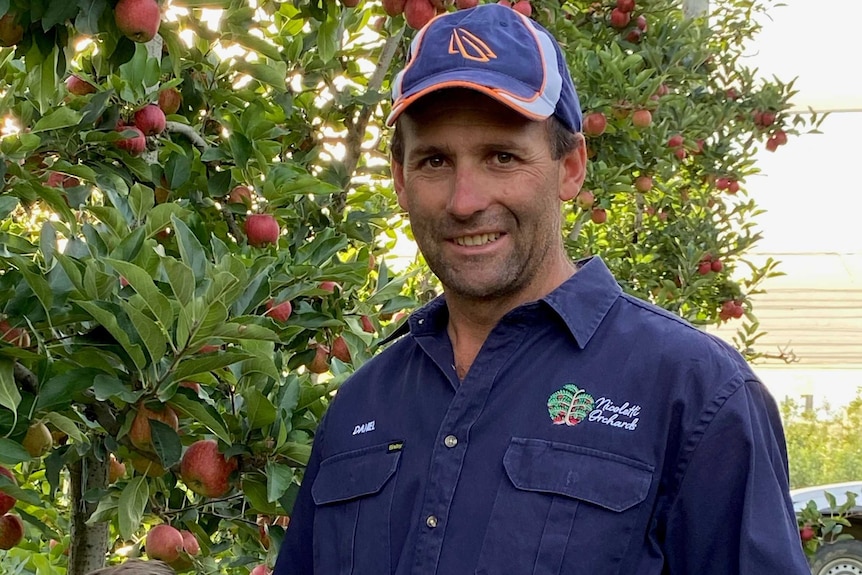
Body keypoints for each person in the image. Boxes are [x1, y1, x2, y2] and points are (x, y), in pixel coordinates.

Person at [274, 4, 810, 574]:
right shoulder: (362, 404)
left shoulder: (695, 392)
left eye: (502, 157)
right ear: (401, 179)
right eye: (435, 160)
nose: (465, 200)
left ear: (571, 167)